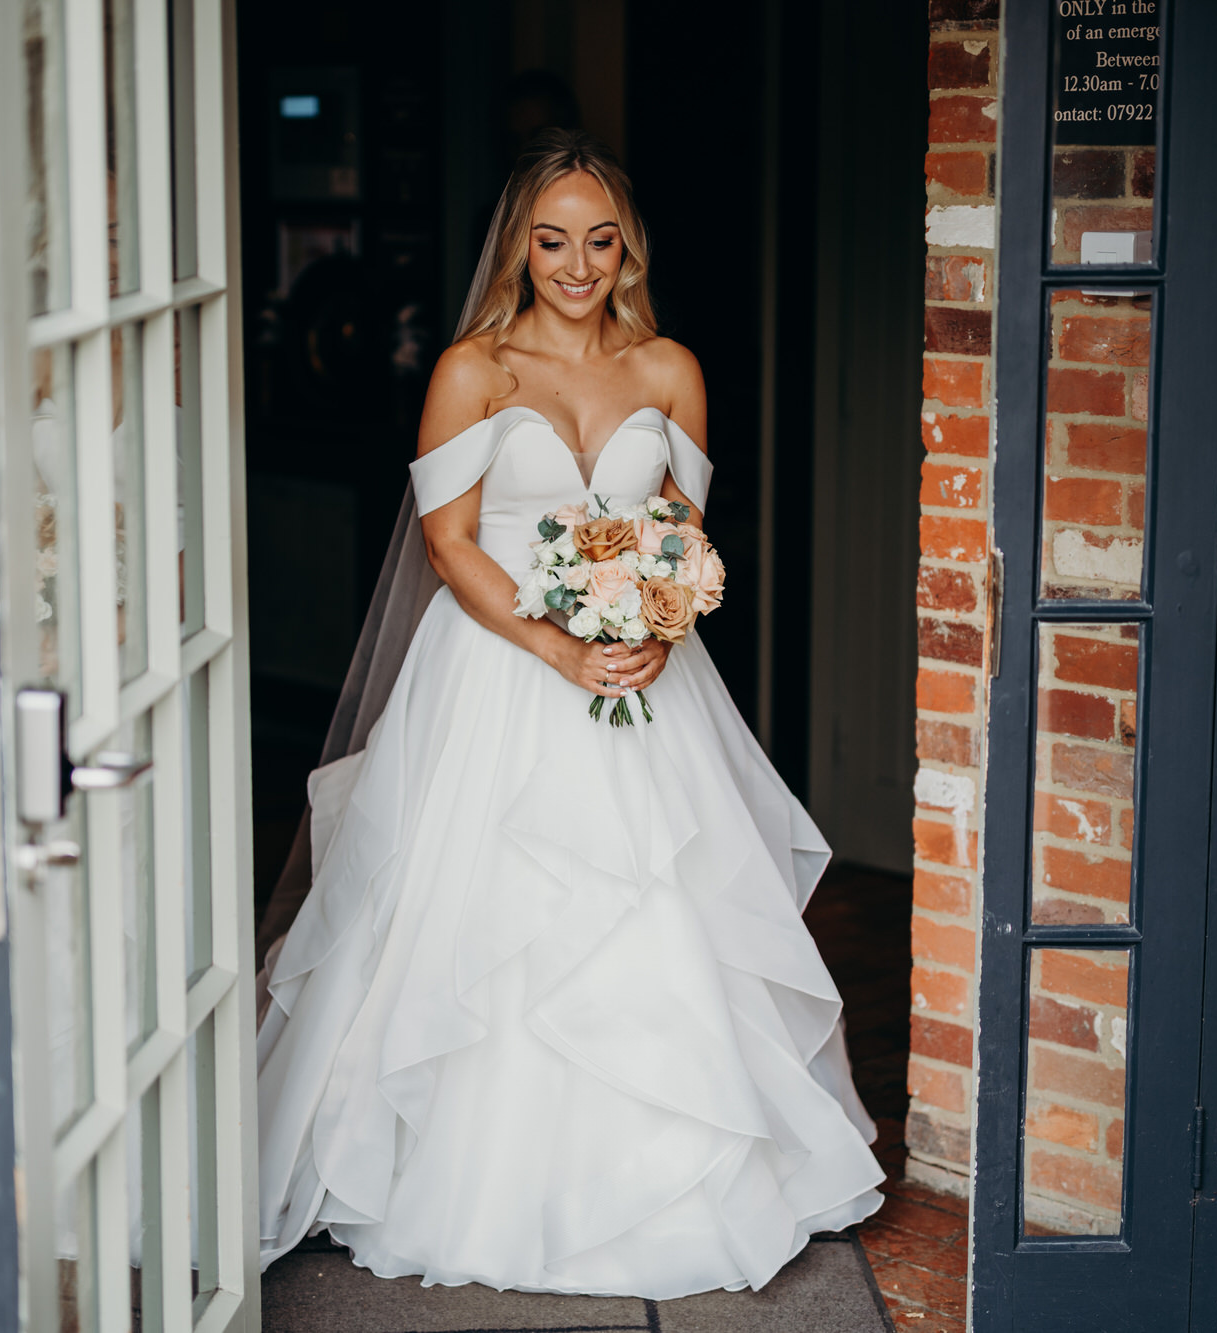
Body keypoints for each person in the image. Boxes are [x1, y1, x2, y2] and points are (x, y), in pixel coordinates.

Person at [254, 129, 884, 1300]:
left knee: (663, 905)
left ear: (626, 249)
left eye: (599, 241)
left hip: (646, 684)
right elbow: (449, 543)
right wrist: (555, 645)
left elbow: (685, 532)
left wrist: (659, 621)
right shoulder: (472, 370)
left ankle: (669, 1176)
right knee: (482, 924)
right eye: (552, 241)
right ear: (519, 247)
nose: (577, 264)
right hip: (497, 675)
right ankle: (462, 1178)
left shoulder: (669, 371)